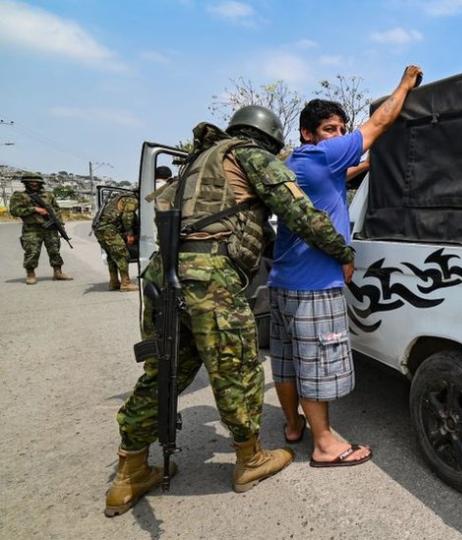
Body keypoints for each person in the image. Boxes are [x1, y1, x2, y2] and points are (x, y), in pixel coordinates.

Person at [104, 105, 357, 516]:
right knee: (236, 368)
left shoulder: (196, 163)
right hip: (211, 278)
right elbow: (301, 212)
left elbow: (254, 226)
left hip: (164, 275)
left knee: (165, 369)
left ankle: (129, 470)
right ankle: (249, 460)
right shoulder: (250, 154)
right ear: (270, 140)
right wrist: (343, 251)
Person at [268, 65, 422, 467]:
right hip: (314, 286)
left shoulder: (297, 165)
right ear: (308, 133)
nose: (338, 136)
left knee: (286, 363)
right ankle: (325, 444)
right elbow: (379, 122)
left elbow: (345, 173)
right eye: (330, 129)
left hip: (282, 283)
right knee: (316, 365)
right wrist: (404, 85)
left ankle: (291, 426)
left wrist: (368, 165)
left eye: (341, 130)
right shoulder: (323, 156)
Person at [93, 169, 153, 291]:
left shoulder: (123, 197)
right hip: (108, 229)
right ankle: (125, 283)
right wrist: (130, 234)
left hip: (100, 228)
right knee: (122, 254)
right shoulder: (132, 200)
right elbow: (127, 217)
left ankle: (114, 282)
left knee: (112, 256)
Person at [8, 173, 72, 284]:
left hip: (50, 228)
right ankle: (30, 274)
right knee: (31, 252)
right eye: (31, 181)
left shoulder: (49, 195)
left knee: (55, 250)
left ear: (40, 183)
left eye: (36, 182)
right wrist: (34, 209)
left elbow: (56, 210)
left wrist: (59, 224)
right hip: (32, 229)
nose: (33, 183)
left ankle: (58, 272)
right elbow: (14, 211)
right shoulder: (19, 196)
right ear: (26, 183)